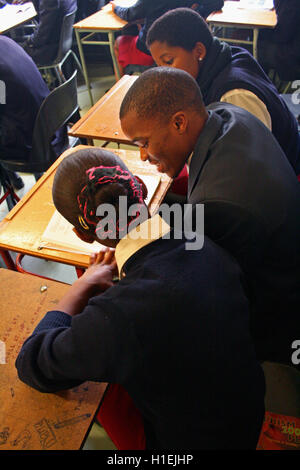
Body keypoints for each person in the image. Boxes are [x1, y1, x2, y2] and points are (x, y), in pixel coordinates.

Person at [15, 147, 265, 450]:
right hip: (248, 412)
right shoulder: (203, 239)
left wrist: (80, 287)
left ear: (82, 236)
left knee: (95, 385)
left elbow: (31, 362)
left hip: (189, 443)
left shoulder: (118, 319)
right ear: (142, 187)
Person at [119, 67, 300, 369]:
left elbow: (210, 287)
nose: (142, 157)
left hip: (275, 310)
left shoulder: (219, 204)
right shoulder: (226, 113)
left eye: (143, 143)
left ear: (179, 122)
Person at [146, 8, 300, 175]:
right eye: (159, 66)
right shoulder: (222, 57)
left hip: (285, 178)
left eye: (169, 61)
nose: (164, 73)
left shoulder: (235, 96)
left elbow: (250, 168)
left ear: (199, 51)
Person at [0, 36, 67, 187]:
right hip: (51, 124)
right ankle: (14, 181)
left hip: (31, 143)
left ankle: (11, 186)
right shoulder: (6, 41)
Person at [110, 1, 223, 77]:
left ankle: (118, 87)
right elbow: (217, 3)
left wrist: (115, 8)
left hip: (151, 45)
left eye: (168, 62)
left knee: (119, 42)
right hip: (183, 38)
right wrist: (196, 8)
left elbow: (129, 14)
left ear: (200, 52)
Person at [13, 0, 77, 66]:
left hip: (49, 50)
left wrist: (29, 41)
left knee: (7, 51)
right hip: (62, 44)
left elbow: (42, 36)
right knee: (13, 42)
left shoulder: (49, 2)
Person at [258, 0, 300, 81]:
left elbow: (283, 35)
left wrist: (263, 32)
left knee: (253, 50)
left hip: (294, 54)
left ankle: (262, 89)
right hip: (292, 43)